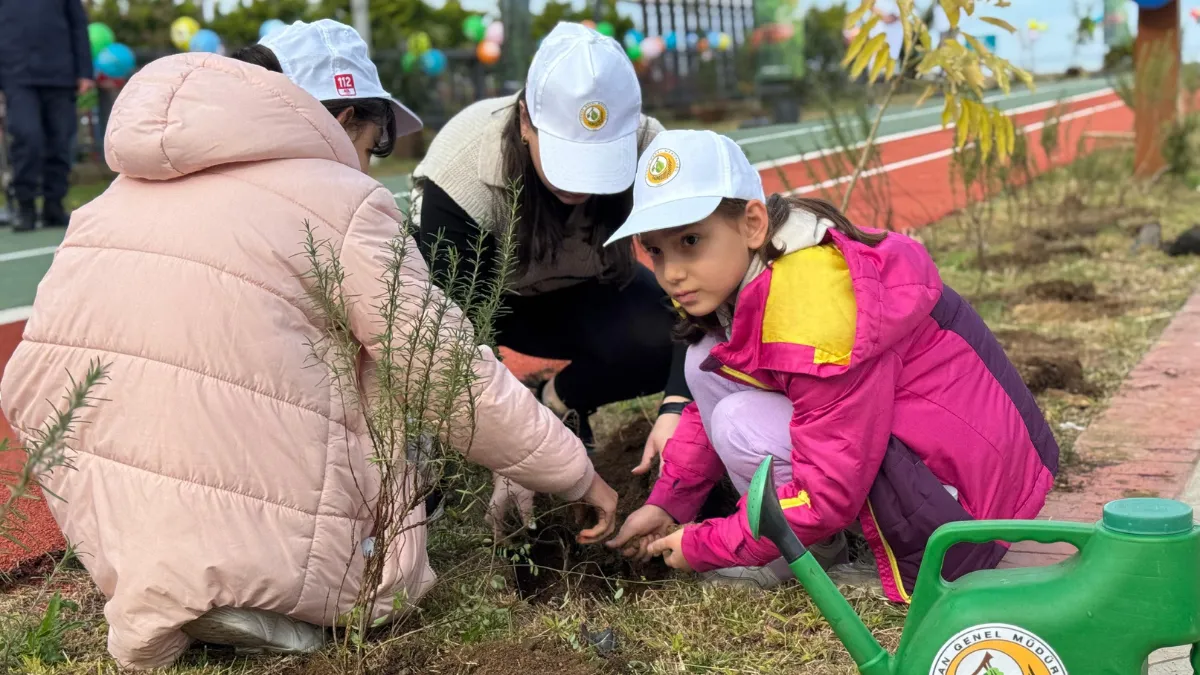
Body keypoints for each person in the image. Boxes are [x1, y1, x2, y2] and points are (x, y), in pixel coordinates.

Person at [0, 20, 617, 670]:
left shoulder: (116, 194)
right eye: (375, 146)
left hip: (102, 513)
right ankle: (276, 585)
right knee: (380, 365)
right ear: (347, 118)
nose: (368, 164)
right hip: (269, 551)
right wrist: (569, 470)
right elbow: (445, 370)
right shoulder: (340, 202)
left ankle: (172, 572)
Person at [604, 129, 1059, 602]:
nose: (671, 272)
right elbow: (709, 395)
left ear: (753, 223)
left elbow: (829, 490)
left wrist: (707, 544)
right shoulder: (760, 273)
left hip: (963, 512)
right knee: (703, 362)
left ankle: (815, 550)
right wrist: (669, 504)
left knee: (738, 422)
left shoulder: (812, 308)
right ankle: (801, 540)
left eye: (691, 241)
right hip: (944, 462)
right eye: (655, 250)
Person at [408, 22, 692, 525]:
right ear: (525, 121)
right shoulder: (461, 171)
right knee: (444, 376)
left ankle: (560, 400)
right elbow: (456, 336)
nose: (582, 185)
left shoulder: (652, 147)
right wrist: (514, 452)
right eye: (567, 158)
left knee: (669, 337)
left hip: (589, 288)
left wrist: (676, 409)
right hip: (500, 305)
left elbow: (700, 294)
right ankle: (446, 458)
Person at [0, 0, 94, 231]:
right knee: (27, 137)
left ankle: (54, 205)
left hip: (61, 75)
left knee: (60, 142)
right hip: (17, 76)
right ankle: (25, 205)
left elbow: (78, 25)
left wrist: (84, 71)